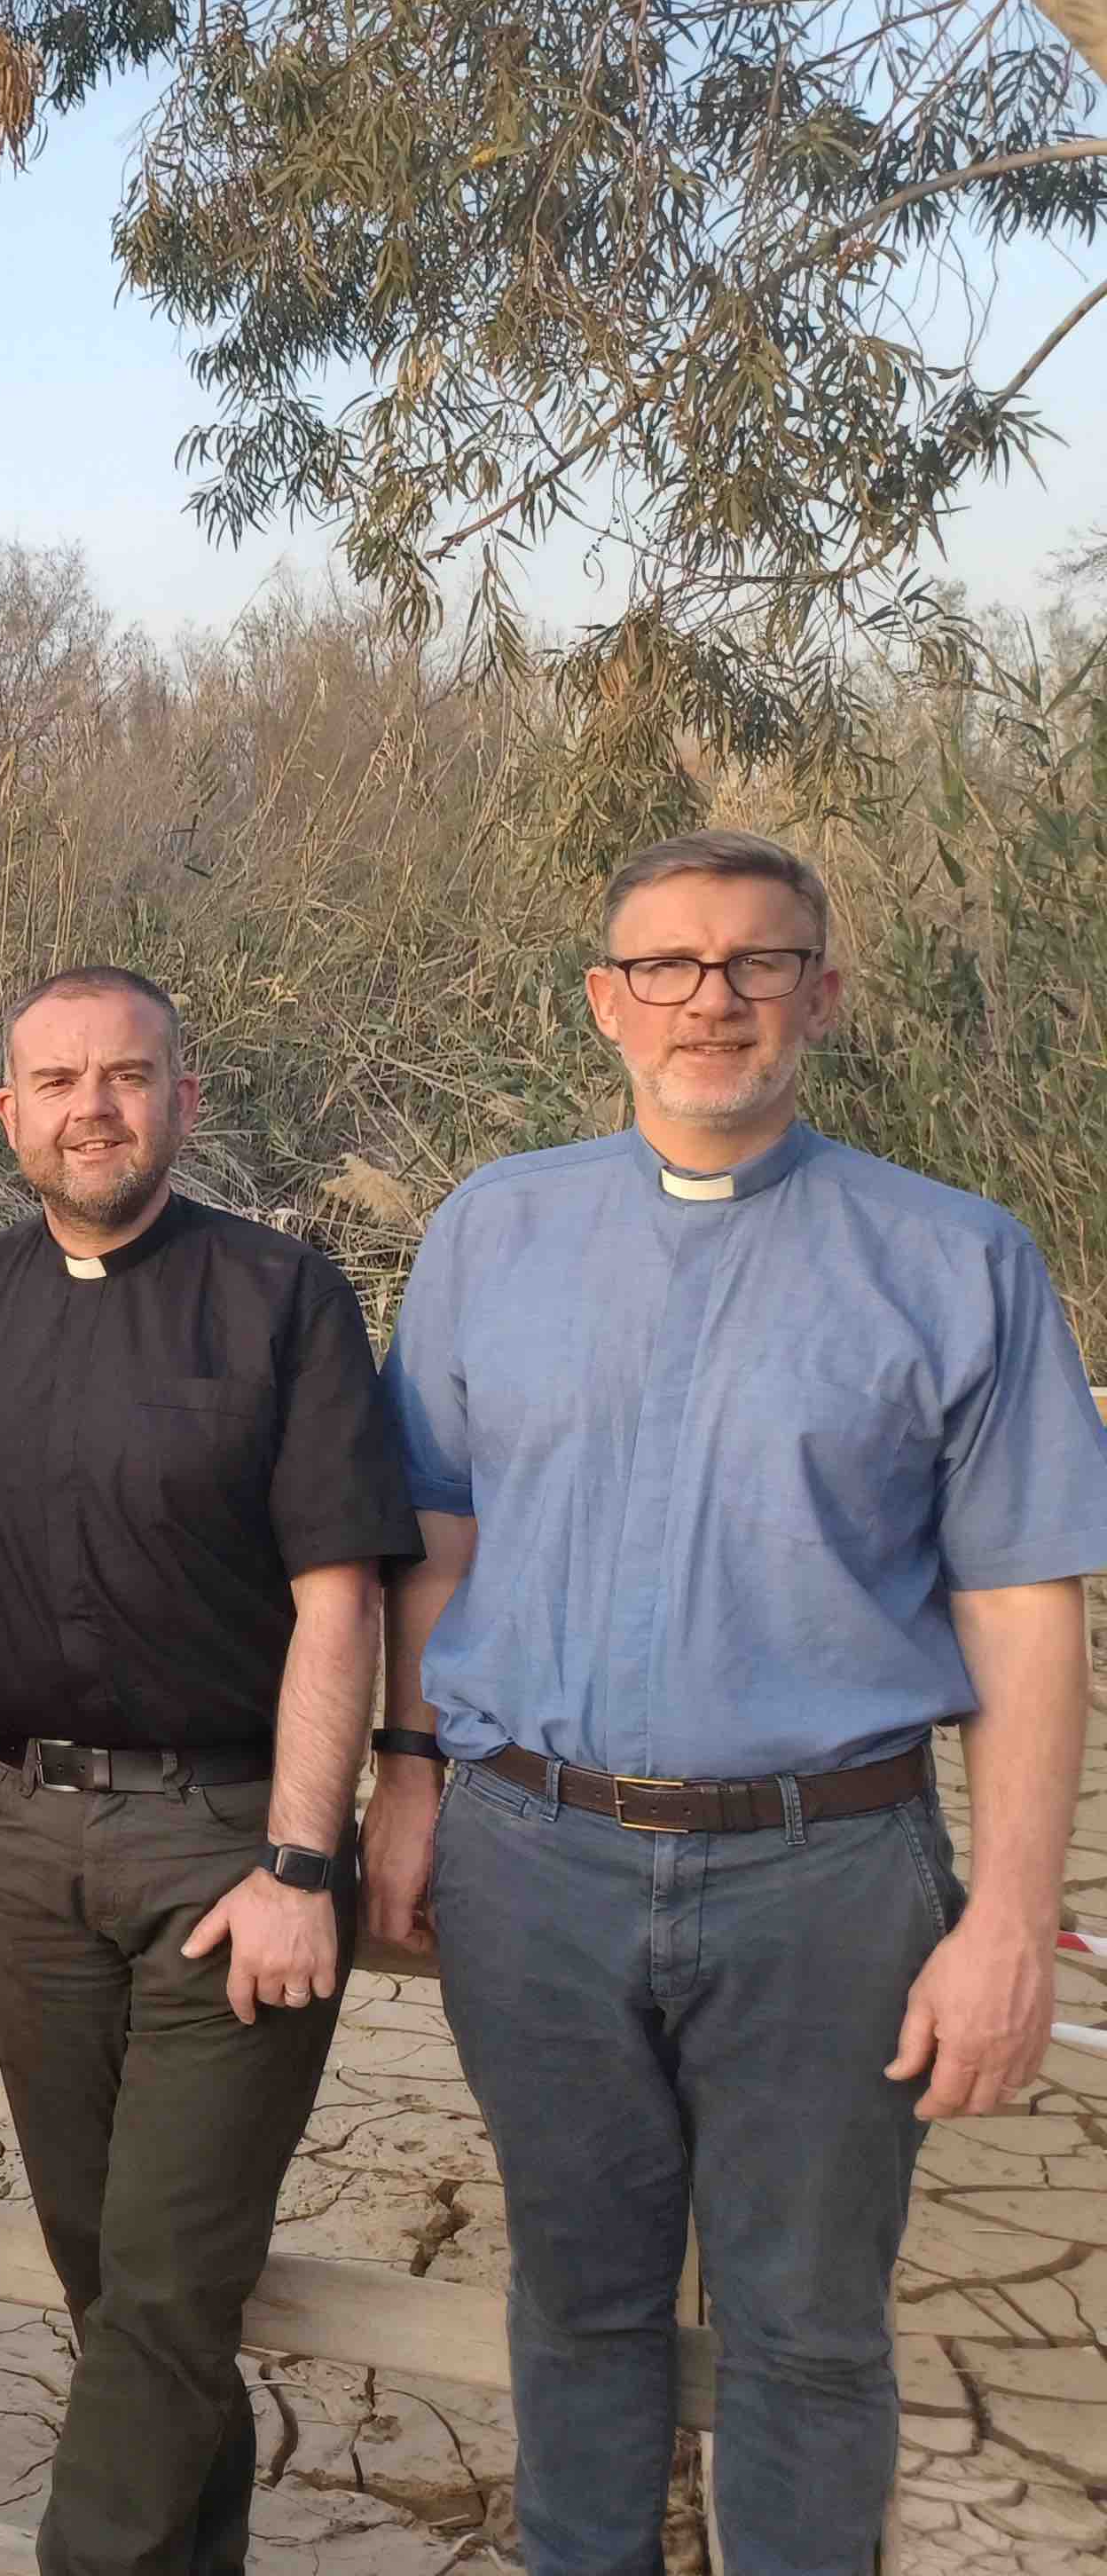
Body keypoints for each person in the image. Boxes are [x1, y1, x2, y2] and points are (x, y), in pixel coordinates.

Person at [372, 829, 1107, 2576]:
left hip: (826, 1877)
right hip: (526, 1864)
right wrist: (404, 1793)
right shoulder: (491, 1230)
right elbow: (430, 1550)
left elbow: (1022, 1619)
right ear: (601, 1002)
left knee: (804, 2333)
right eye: (668, 966)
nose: (711, 999)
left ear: (818, 994)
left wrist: (1006, 1915)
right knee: (574, 2309)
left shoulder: (951, 1258)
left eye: (754, 962)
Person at [0, 966, 414, 2576]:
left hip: (225, 1847)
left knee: (174, 2278)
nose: (92, 1108)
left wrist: (303, 1861)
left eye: (127, 1077)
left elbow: (344, 1594)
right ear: (9, 1115)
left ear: (184, 1099)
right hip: (25, 1841)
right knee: (106, 2277)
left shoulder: (282, 1297)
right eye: (57, 1082)